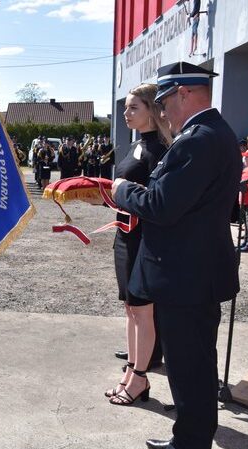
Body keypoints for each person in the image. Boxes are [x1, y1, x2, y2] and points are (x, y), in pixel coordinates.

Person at [112, 62, 240, 449]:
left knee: (189, 368)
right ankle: (192, 437)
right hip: (196, 272)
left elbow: (162, 205)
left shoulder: (197, 140)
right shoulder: (214, 134)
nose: (163, 111)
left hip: (185, 275)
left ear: (184, 93)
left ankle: (189, 443)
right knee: (197, 364)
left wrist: (121, 191)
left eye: (165, 101)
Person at [103, 84, 171, 407]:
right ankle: (131, 371)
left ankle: (141, 377)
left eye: (134, 108)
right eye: (126, 108)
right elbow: (123, 190)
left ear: (152, 110)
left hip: (145, 238)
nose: (126, 113)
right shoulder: (134, 145)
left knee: (143, 311)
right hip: (124, 236)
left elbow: (156, 200)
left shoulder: (160, 149)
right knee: (130, 308)